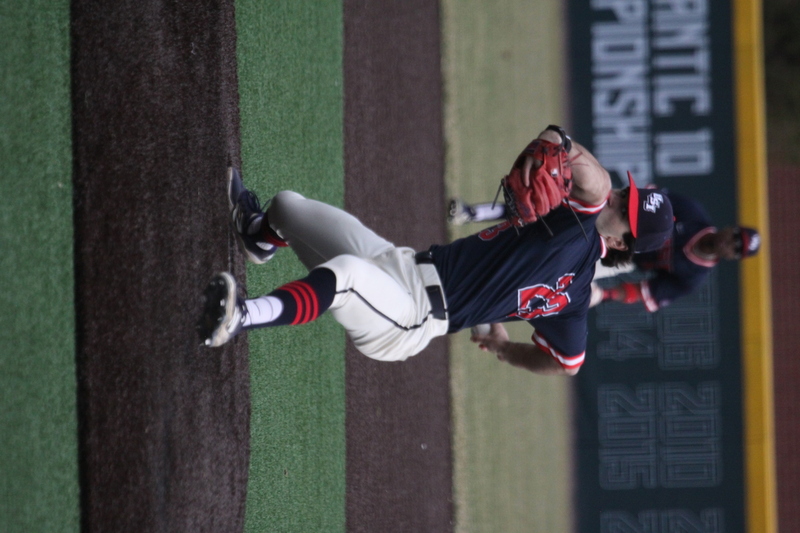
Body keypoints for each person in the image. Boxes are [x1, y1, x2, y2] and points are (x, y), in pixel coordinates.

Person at [196, 126, 674, 376]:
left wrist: (507, 352)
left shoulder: (579, 255)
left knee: (343, 277)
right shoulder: (575, 229)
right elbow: (568, 363)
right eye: (624, 195)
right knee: (287, 208)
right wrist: (560, 143)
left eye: (625, 210)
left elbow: (567, 365)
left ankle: (241, 317)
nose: (615, 198)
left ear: (620, 242)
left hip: (411, 318)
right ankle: (259, 239)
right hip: (400, 262)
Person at [447, 192, 760, 312]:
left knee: (549, 275)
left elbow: (646, 291)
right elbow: (650, 202)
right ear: (731, 227)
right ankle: (475, 213)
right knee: (549, 212)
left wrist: (605, 295)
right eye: (737, 237)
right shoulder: (692, 210)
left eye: (738, 249)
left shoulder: (694, 276)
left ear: (733, 258)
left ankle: (492, 299)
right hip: (614, 228)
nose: (731, 244)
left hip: (617, 259)